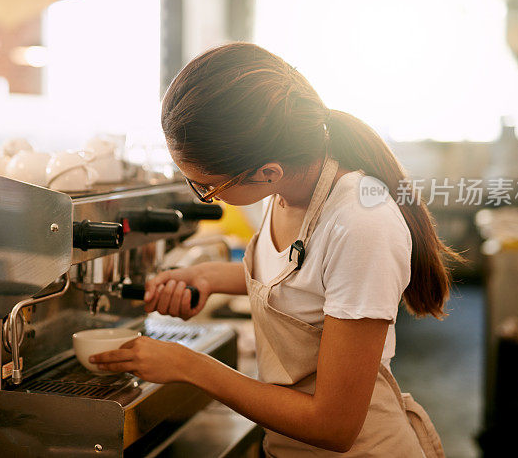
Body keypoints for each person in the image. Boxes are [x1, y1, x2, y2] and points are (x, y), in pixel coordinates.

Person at [90, 42, 456, 457]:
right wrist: (208, 278)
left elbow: (334, 426)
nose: (205, 194)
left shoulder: (360, 222)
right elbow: (306, 282)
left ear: (267, 172)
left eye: (207, 187)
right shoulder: (282, 192)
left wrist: (188, 365)